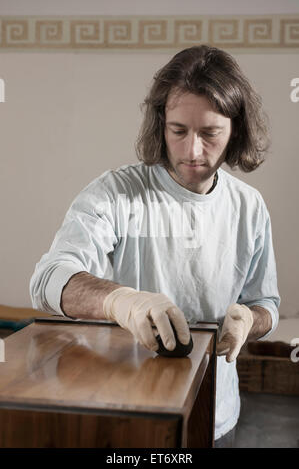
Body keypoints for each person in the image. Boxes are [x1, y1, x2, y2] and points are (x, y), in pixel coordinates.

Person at [30, 45, 280, 447]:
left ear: (235, 129)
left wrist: (251, 320)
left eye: (210, 133)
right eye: (178, 131)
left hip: (217, 416)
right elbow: (47, 281)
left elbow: (267, 302)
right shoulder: (116, 193)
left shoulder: (249, 207)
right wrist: (120, 300)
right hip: (131, 415)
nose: (192, 151)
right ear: (161, 124)